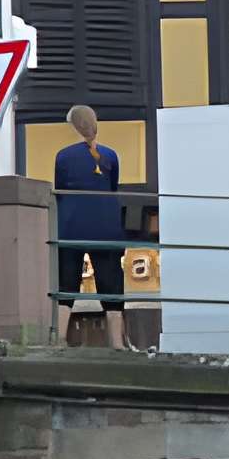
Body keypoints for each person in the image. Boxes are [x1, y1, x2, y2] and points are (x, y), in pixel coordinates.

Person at [51, 103, 128, 348]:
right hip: (105, 226)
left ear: (73, 126)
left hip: (70, 225)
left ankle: (59, 338)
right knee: (112, 284)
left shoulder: (63, 156)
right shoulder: (111, 155)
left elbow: (59, 189)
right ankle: (117, 343)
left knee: (66, 283)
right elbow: (112, 187)